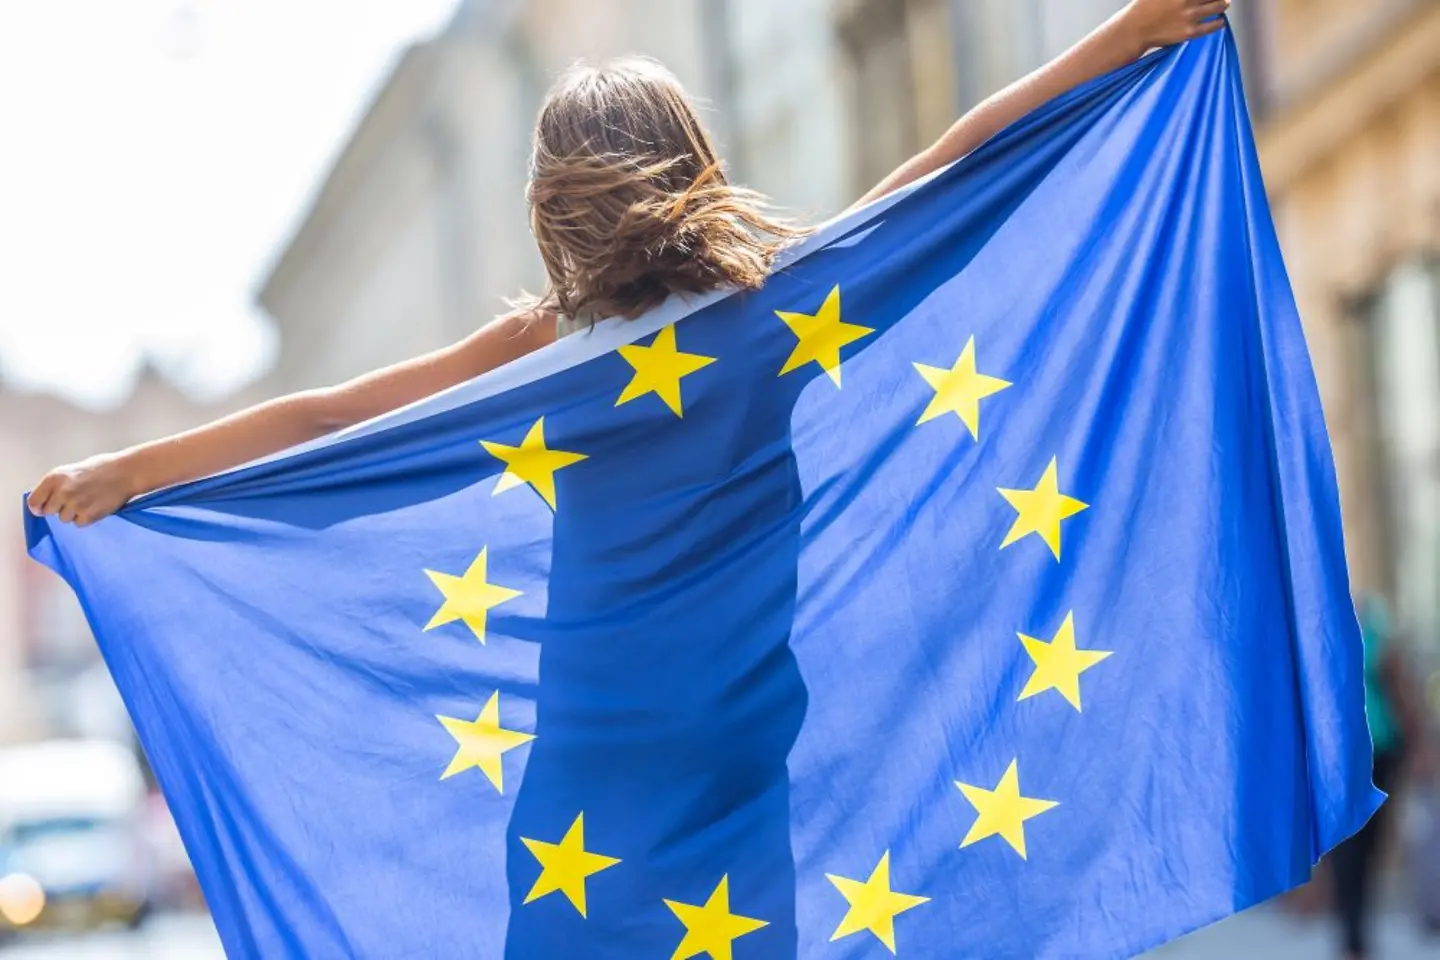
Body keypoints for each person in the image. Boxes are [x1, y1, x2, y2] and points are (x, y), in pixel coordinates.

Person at [27, 0, 1227, 525]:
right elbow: (949, 159)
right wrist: (1123, 35)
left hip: (600, 729)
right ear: (694, 164)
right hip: (743, 711)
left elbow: (322, 416)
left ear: (554, 205)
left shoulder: (542, 348)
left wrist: (130, 469)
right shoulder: (782, 301)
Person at [1330, 593, 1430, 960]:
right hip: (1340, 755)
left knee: (1368, 844)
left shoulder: (1377, 634)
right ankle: (1351, 936)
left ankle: (1356, 934)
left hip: (1381, 751)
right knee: (1346, 846)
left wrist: (1419, 746)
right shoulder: (1324, 631)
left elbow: (1402, 693)